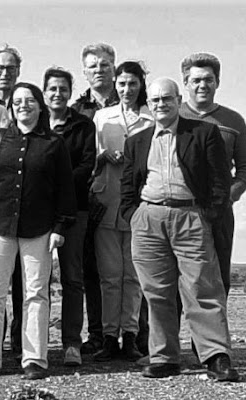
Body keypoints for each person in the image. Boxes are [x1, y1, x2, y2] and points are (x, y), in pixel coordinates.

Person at [121, 78, 237, 382]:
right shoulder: (136, 140)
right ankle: (164, 357)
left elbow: (220, 181)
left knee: (202, 286)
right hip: (148, 219)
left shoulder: (203, 132)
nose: (161, 104)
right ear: (148, 104)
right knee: (156, 292)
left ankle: (215, 356)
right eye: (155, 100)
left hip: (191, 216)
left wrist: (208, 214)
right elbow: (127, 185)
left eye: (167, 99)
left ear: (178, 99)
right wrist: (134, 216)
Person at [0, 82, 76, 380]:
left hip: (39, 228)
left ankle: (34, 359)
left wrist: (59, 226)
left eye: (30, 100)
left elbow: (65, 190)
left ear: (40, 106)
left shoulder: (54, 143)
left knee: (37, 294)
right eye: (17, 101)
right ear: (11, 107)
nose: (23, 105)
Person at [91, 61, 153, 362]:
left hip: (138, 205)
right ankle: (107, 337)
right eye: (121, 84)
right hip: (106, 202)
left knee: (134, 276)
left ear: (141, 85)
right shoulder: (102, 118)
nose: (126, 89)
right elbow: (90, 159)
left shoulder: (150, 119)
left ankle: (130, 336)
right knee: (109, 276)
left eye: (132, 83)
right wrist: (104, 155)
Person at [179, 52, 246, 295]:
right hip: (177, 212)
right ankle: (169, 334)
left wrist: (226, 198)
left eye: (208, 80)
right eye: (196, 80)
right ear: (186, 83)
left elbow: (245, 167)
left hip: (218, 213)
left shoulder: (233, 120)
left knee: (216, 280)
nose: (202, 85)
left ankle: (208, 335)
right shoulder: (171, 116)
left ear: (217, 82)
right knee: (175, 282)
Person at [43, 67, 98, 366]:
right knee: (36, 280)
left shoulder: (83, 126)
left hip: (75, 209)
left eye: (63, 89)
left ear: (69, 92)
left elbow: (87, 164)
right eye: (52, 88)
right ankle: (35, 343)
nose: (57, 94)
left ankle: (71, 343)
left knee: (72, 278)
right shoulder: (34, 123)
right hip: (38, 212)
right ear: (44, 92)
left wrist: (56, 186)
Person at [70, 41, 118, 357]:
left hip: (121, 197)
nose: (99, 69)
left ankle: (134, 335)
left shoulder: (132, 103)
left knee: (126, 270)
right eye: (92, 65)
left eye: (104, 64)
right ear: (84, 72)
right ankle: (98, 334)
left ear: (113, 67)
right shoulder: (76, 112)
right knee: (90, 269)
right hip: (86, 197)